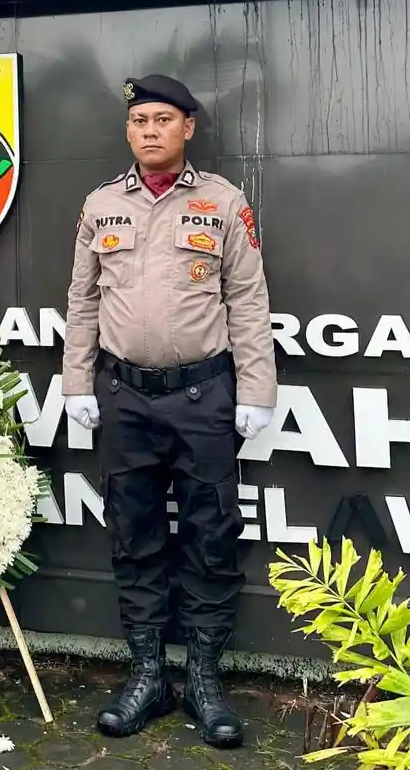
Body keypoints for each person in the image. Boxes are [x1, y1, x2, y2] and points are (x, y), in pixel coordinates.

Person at [61, 74, 277, 749]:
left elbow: (247, 301)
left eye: (163, 119)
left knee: (212, 536)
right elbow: (83, 300)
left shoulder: (223, 202)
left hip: (203, 396)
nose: (149, 130)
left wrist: (255, 393)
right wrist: (75, 384)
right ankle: (149, 675)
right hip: (125, 396)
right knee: (136, 535)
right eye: (139, 121)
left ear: (189, 127)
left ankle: (206, 682)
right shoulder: (101, 205)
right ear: (128, 131)